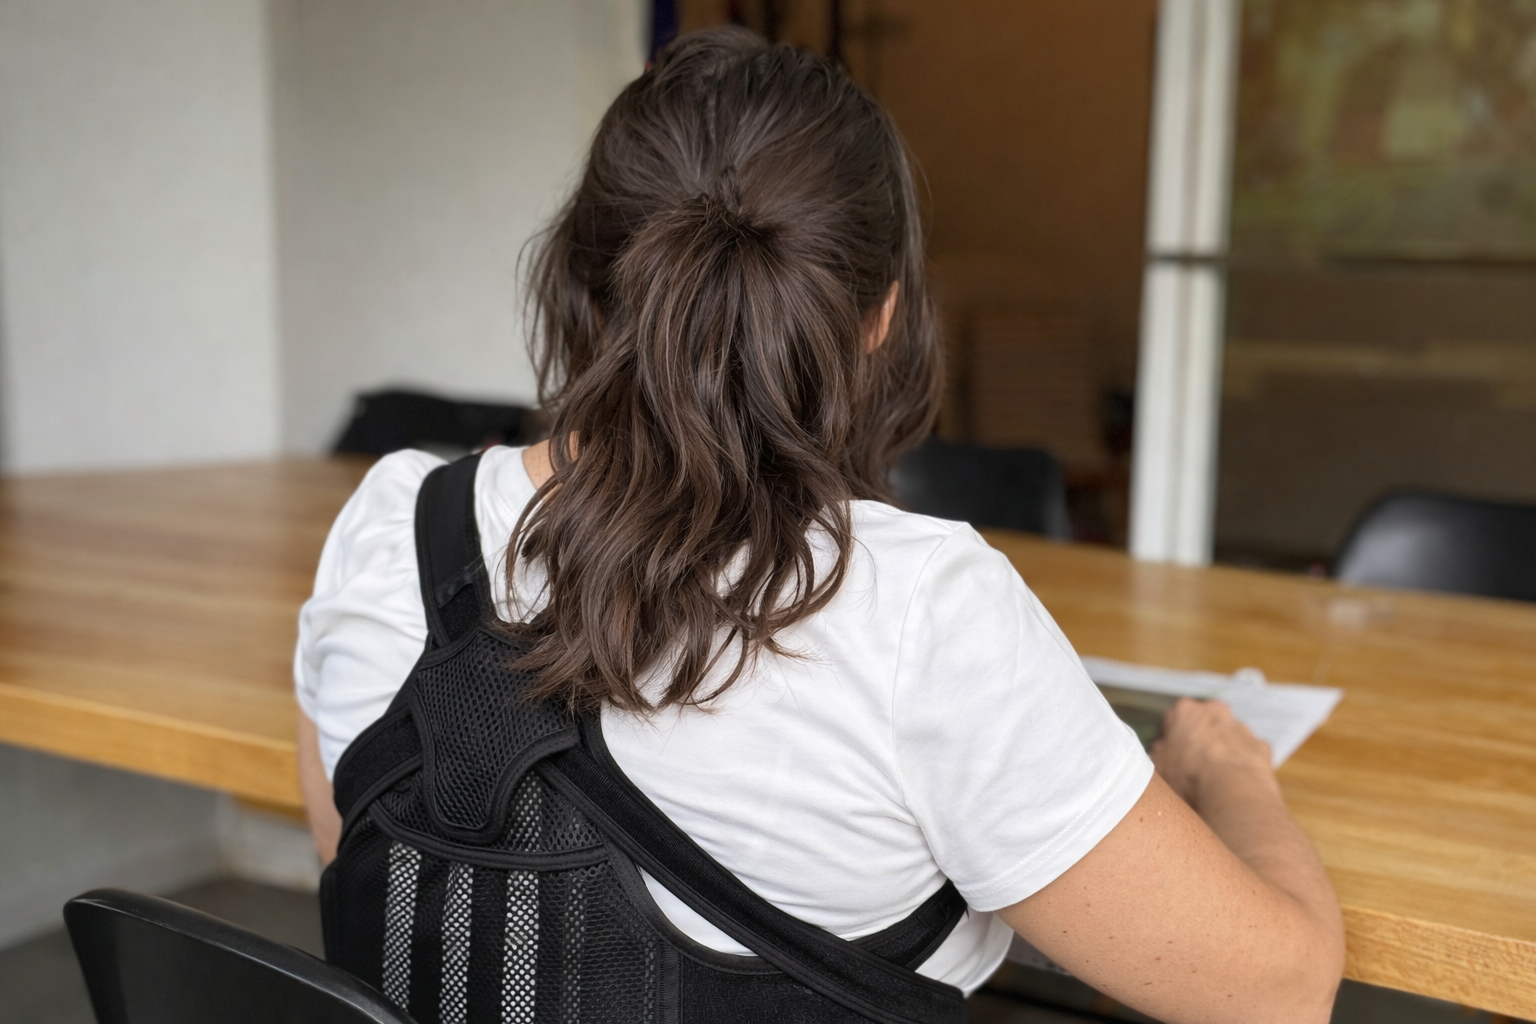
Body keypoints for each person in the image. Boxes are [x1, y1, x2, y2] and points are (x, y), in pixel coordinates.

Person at [295, 26, 1343, 1024]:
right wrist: (1230, 775)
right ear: (883, 314)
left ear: (587, 282)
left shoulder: (396, 525)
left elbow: (385, 905)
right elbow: (1280, 995)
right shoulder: (922, 615)